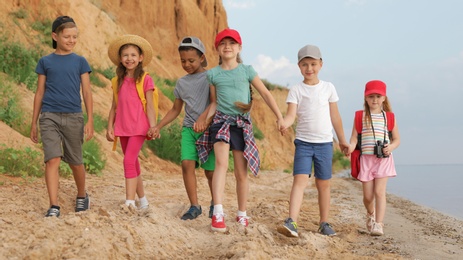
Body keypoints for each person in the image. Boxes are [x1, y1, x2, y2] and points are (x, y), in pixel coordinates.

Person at [196, 28, 284, 232]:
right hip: (220, 123)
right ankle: (218, 213)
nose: (227, 47)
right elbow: (214, 102)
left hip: (241, 125)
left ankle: (242, 213)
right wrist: (204, 120)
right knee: (220, 164)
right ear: (217, 48)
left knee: (240, 173)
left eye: (232, 43)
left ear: (239, 47)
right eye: (223, 43)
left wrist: (279, 117)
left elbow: (265, 94)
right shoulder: (213, 74)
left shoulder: (247, 71)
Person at [278, 45, 349, 237]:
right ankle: (292, 221)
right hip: (303, 143)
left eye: (313, 64)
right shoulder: (296, 90)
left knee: (323, 184)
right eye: (305, 64)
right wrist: (284, 123)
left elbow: (335, 117)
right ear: (299, 66)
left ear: (321, 64)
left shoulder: (328, 88)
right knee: (299, 181)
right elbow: (291, 115)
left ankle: (324, 222)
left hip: (325, 144)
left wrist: (342, 140)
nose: (309, 68)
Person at [30, 16, 94, 217]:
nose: (71, 40)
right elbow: (39, 92)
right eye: (67, 36)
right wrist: (34, 123)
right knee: (52, 159)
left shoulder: (80, 62)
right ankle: (54, 205)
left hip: (73, 116)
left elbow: (87, 92)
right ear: (55, 36)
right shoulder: (45, 62)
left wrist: (90, 119)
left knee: (76, 161)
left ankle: (82, 195)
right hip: (49, 116)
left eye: (75, 37)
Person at [152, 36, 215, 220]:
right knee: (187, 164)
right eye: (183, 61)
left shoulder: (211, 77)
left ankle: (215, 203)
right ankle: (195, 206)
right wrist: (159, 125)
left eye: (191, 60)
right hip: (189, 129)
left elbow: (215, 102)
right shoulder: (181, 83)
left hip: (209, 130)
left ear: (202, 58)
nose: (186, 64)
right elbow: (175, 109)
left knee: (210, 171)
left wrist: (206, 120)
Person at [106, 35, 157, 209]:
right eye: (126, 55)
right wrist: (109, 127)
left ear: (140, 58)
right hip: (123, 127)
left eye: (133, 55)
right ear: (121, 59)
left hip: (139, 127)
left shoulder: (145, 79)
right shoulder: (116, 81)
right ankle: (143, 201)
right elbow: (114, 106)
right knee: (133, 162)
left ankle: (129, 202)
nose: (130, 58)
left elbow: (150, 105)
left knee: (128, 161)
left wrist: (153, 126)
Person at [345, 80, 400, 236]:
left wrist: (391, 147)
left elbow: (397, 139)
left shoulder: (389, 117)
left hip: (383, 160)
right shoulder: (360, 116)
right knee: (368, 196)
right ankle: (370, 214)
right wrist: (350, 147)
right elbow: (354, 139)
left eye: (378, 96)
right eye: (371, 96)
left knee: (379, 192)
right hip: (366, 160)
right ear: (365, 98)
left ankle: (379, 224)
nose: (374, 100)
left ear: (384, 98)